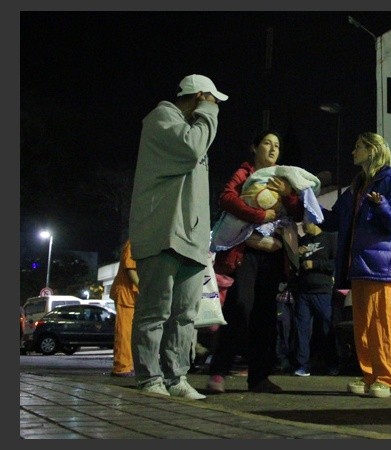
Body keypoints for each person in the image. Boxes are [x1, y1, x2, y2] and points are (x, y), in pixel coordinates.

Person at [129, 73, 228, 400]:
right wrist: (208, 113)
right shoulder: (162, 119)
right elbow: (190, 148)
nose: (215, 107)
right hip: (163, 232)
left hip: (192, 237)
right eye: (212, 99)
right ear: (200, 96)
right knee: (154, 310)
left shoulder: (195, 128)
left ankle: (176, 377)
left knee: (185, 314)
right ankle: (148, 377)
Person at [206, 129, 305, 394]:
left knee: (265, 316)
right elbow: (227, 197)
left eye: (277, 145)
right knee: (239, 308)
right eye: (267, 143)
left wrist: (288, 194)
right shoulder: (245, 173)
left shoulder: (284, 177)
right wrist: (259, 216)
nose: (273, 149)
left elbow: (298, 212)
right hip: (245, 254)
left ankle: (259, 377)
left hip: (272, 256)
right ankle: (218, 371)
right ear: (254, 147)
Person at [320, 132, 391, 399]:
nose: (353, 151)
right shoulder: (355, 186)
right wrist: (307, 206)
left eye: (358, 147)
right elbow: (333, 220)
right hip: (358, 266)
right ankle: (370, 375)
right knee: (363, 325)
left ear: (372, 150)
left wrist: (380, 206)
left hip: (381, 267)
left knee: (380, 323)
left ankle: (385, 377)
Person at [292, 217, 340, 376]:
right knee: (302, 329)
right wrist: (297, 256)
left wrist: (315, 264)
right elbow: (293, 265)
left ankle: (332, 363)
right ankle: (302, 365)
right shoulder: (303, 240)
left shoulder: (329, 238)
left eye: (304, 223)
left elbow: (336, 264)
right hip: (303, 292)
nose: (302, 227)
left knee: (326, 327)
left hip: (322, 291)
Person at [109, 240, 138, 378]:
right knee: (124, 333)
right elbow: (130, 269)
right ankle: (122, 367)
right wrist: (145, 287)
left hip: (132, 295)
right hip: (126, 295)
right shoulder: (133, 243)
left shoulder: (140, 242)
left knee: (130, 334)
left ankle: (128, 365)